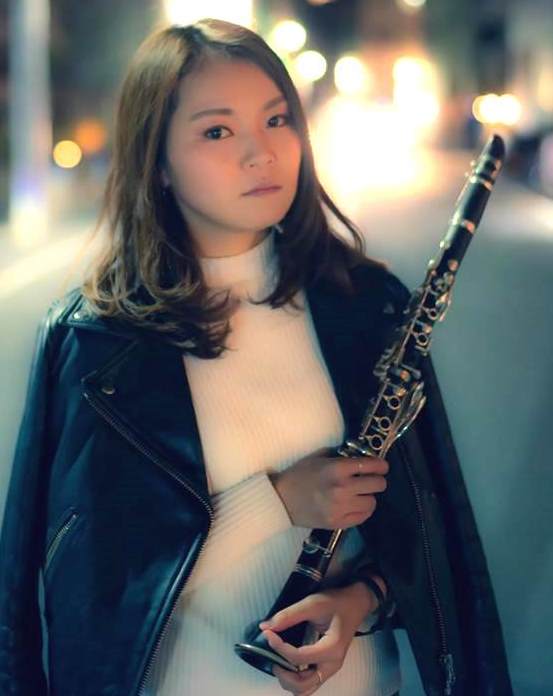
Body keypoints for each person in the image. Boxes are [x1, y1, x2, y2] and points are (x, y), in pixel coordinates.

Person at [0, 18, 512, 696]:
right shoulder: (95, 341)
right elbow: (91, 579)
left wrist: (360, 600)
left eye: (276, 121)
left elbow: (426, 534)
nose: (260, 153)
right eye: (217, 132)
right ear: (158, 163)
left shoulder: (365, 304)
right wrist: (278, 500)